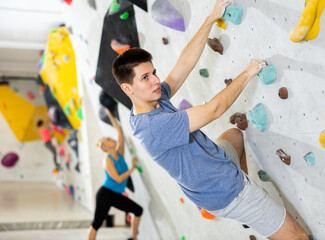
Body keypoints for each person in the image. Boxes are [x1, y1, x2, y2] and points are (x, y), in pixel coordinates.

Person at [112, 0, 308, 239]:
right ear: (127, 88)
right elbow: (214, 110)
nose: (155, 80)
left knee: (234, 136)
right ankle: (247, 201)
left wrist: (210, 19)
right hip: (227, 193)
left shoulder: (150, 101)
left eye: (153, 72)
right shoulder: (154, 127)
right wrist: (247, 74)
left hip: (210, 183)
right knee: (298, 237)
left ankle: (247, 200)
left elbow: (182, 66)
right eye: (145, 77)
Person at [88, 108, 143, 240]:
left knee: (138, 210)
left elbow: (119, 132)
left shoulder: (120, 153)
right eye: (108, 140)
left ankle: (133, 238)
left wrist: (110, 115)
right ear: (105, 148)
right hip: (105, 194)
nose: (111, 139)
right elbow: (118, 179)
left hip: (115, 194)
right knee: (97, 223)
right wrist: (132, 168)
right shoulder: (107, 161)